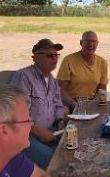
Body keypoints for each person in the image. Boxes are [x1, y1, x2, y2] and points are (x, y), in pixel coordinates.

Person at [10, 38, 69, 168]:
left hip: (51, 130)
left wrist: (60, 122)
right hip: (26, 135)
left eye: (56, 55)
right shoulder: (24, 76)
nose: (54, 58)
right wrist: (39, 132)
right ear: (35, 57)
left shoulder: (52, 81)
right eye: (50, 55)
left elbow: (58, 105)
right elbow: (15, 116)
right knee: (56, 161)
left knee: (74, 149)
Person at [57, 30, 108, 109]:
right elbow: (60, 89)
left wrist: (94, 103)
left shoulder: (102, 62)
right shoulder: (68, 60)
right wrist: (74, 105)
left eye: (94, 41)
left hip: (91, 102)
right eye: (87, 41)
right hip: (70, 102)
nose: (91, 44)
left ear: (97, 43)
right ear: (81, 43)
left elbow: (102, 89)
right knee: (64, 112)